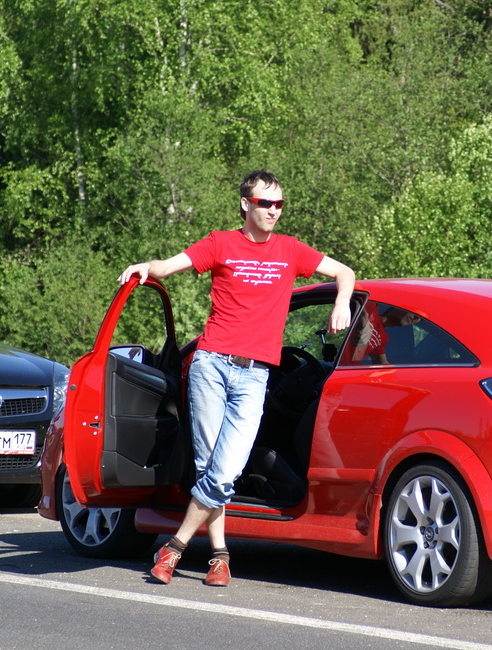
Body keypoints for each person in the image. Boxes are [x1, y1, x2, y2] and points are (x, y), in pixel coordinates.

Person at [118, 169, 354, 587]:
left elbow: (345, 272)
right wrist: (144, 268)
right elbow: (167, 267)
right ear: (246, 204)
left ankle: (174, 546)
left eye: (279, 204)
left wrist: (342, 303)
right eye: (266, 203)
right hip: (210, 366)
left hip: (255, 376)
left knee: (225, 471)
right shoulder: (220, 243)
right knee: (209, 466)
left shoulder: (291, 250)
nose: (274, 211)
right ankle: (220, 557)